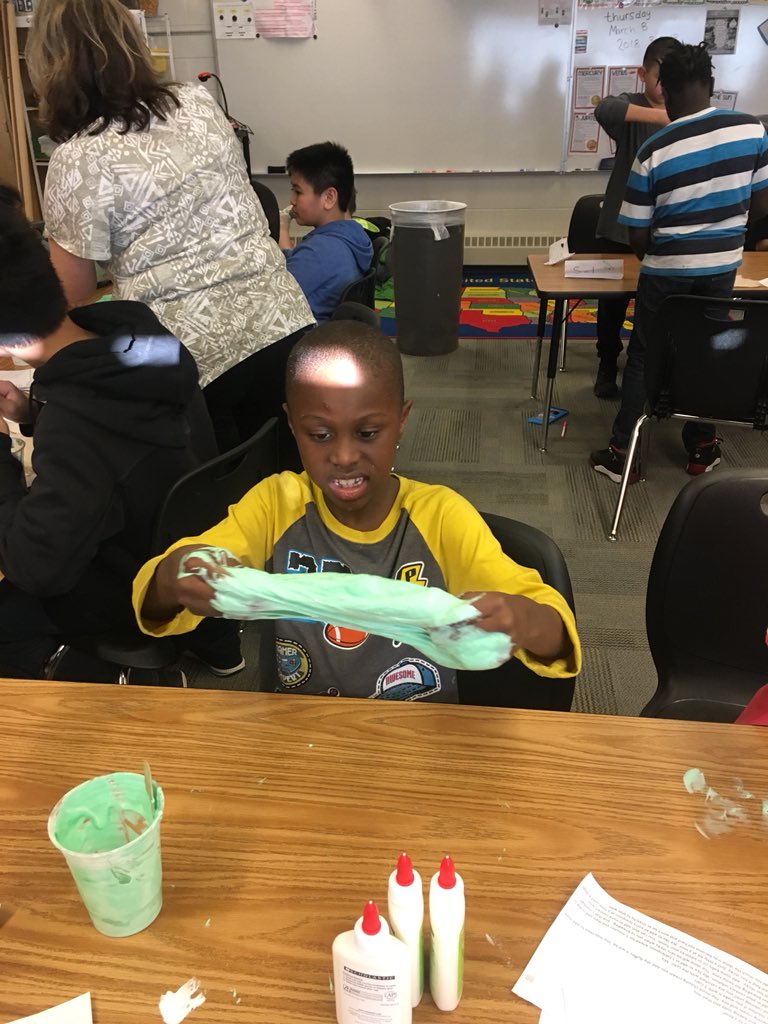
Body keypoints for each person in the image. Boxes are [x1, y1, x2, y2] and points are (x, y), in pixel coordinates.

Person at [132, 321, 581, 702]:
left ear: (401, 419)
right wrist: (176, 575)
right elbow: (162, 590)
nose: (344, 456)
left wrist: (521, 618)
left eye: (367, 433)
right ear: (292, 424)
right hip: (301, 737)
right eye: (320, 435)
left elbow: (554, 629)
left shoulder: (441, 517)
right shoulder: (276, 504)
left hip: (415, 744)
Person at [26, 0, 314, 455]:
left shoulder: (76, 159)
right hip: (285, 324)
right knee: (280, 483)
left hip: (186, 363)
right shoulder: (198, 102)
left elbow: (73, 296)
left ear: (50, 63)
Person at [0, 186, 242, 682]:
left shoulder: (77, 424)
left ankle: (107, 685)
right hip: (180, 548)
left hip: (130, 592)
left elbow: (36, 565)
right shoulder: (142, 338)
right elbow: (115, 434)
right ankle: (213, 643)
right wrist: (33, 411)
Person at [590, 43, 768, 483]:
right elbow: (762, 204)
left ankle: (623, 455)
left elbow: (637, 234)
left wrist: (663, 251)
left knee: (644, 356)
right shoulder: (752, 131)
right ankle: (701, 449)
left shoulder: (654, 149)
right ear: (711, 85)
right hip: (722, 268)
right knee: (708, 347)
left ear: (663, 91)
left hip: (665, 272)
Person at [592, 36, 679, 399]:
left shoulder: (689, 109)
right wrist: (664, 116)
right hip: (622, 228)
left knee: (659, 307)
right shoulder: (631, 106)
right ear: (643, 74)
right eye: (660, 78)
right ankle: (607, 362)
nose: (665, 88)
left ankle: (652, 368)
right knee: (612, 306)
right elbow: (605, 109)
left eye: (673, 80)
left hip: (666, 229)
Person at [278, 142, 373, 321]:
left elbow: (273, 297)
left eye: (297, 192)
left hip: (302, 343)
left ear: (329, 198)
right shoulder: (353, 236)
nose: (292, 200)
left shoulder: (321, 251)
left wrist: (281, 230)